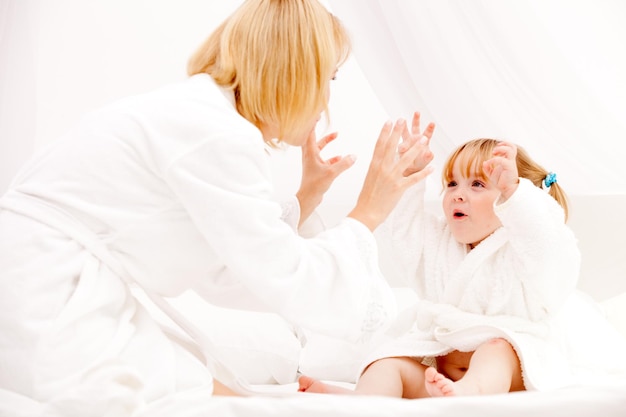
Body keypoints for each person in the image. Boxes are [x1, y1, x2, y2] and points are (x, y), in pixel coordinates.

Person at [0, 0, 434, 410]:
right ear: (298, 72)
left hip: (38, 272)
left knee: (205, 384)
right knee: (189, 393)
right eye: (330, 77)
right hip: (45, 285)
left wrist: (306, 198)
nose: (325, 100)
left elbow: (227, 262)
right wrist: (369, 210)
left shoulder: (203, 115)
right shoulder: (215, 132)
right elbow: (280, 274)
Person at [298, 112, 626, 398]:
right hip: (439, 363)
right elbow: (405, 236)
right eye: (452, 183)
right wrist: (411, 177)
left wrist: (517, 196)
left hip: (509, 367)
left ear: (512, 198)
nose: (457, 195)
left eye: (478, 185)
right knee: (389, 361)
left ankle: (469, 394)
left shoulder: (525, 247)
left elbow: (547, 247)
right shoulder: (441, 242)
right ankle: (363, 399)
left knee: (496, 350)